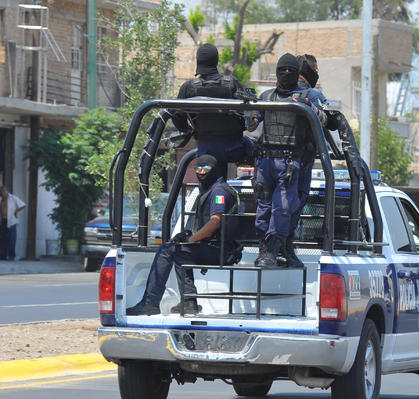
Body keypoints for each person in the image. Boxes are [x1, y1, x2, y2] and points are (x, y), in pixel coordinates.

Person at [127, 155, 241, 316]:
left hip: (222, 250)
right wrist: (186, 237)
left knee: (167, 250)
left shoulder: (219, 191)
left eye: (205, 170)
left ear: (214, 171)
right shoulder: (211, 189)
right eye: (198, 169)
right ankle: (188, 302)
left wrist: (191, 239)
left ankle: (150, 303)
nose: (201, 173)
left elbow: (215, 222)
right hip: (217, 247)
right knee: (179, 251)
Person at [248, 53, 328, 268]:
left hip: (293, 162)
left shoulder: (310, 96)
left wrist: (308, 106)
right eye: (281, 70)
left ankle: (278, 248)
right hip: (266, 161)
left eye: (290, 70)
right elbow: (251, 124)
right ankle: (267, 250)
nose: (285, 74)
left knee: (285, 207)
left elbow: (326, 119)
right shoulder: (267, 96)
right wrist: (248, 108)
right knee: (265, 207)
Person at [171, 43, 250, 178]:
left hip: (205, 148)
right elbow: (246, 113)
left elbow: (177, 115)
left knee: (207, 182)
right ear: (216, 61)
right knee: (255, 147)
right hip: (233, 148)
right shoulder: (232, 83)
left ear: (198, 61)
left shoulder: (188, 87)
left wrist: (188, 129)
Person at [0, 186, 25, 260]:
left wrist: (16, 211)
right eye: (1, 191)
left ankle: (12, 256)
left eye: (4, 191)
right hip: (3, 220)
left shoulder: (13, 198)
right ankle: (3, 256)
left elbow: (23, 205)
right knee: (3, 239)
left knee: (12, 239)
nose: (3, 193)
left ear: (7, 191)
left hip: (12, 221)